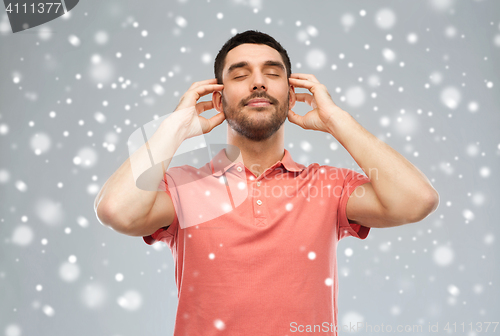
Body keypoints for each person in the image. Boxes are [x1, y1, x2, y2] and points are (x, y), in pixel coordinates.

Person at [94, 30, 439, 336]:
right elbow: (115, 210)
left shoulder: (327, 186)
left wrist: (337, 120)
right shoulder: (183, 187)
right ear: (217, 100)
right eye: (241, 75)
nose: (258, 83)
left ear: (291, 97)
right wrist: (174, 128)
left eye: (272, 73)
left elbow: (417, 200)